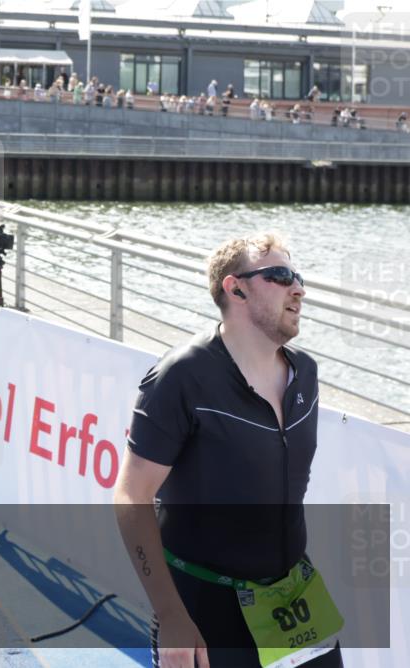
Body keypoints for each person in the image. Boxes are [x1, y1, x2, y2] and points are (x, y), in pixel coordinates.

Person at [114, 232, 343, 668]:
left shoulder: (305, 374)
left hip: (293, 594)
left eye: (297, 276)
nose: (298, 288)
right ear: (235, 288)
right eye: (279, 275)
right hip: (206, 606)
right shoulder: (181, 376)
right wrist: (171, 615)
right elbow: (131, 495)